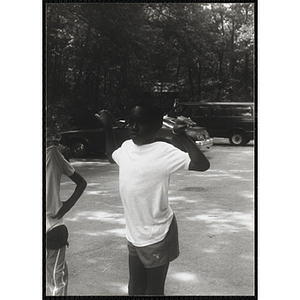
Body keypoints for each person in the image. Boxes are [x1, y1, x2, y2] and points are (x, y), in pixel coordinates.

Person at [95, 103, 210, 296]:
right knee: (135, 288)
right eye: (131, 122)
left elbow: (201, 165)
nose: (134, 128)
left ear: (157, 126)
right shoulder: (126, 148)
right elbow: (110, 155)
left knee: (153, 291)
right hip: (134, 233)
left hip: (157, 233)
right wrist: (107, 127)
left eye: (141, 123)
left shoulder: (164, 151)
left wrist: (180, 135)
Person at [46, 124, 87, 296]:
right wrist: (64, 207)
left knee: (55, 278)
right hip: (52, 226)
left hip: (52, 228)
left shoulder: (52, 153)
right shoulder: (53, 154)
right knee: (57, 281)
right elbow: (81, 182)